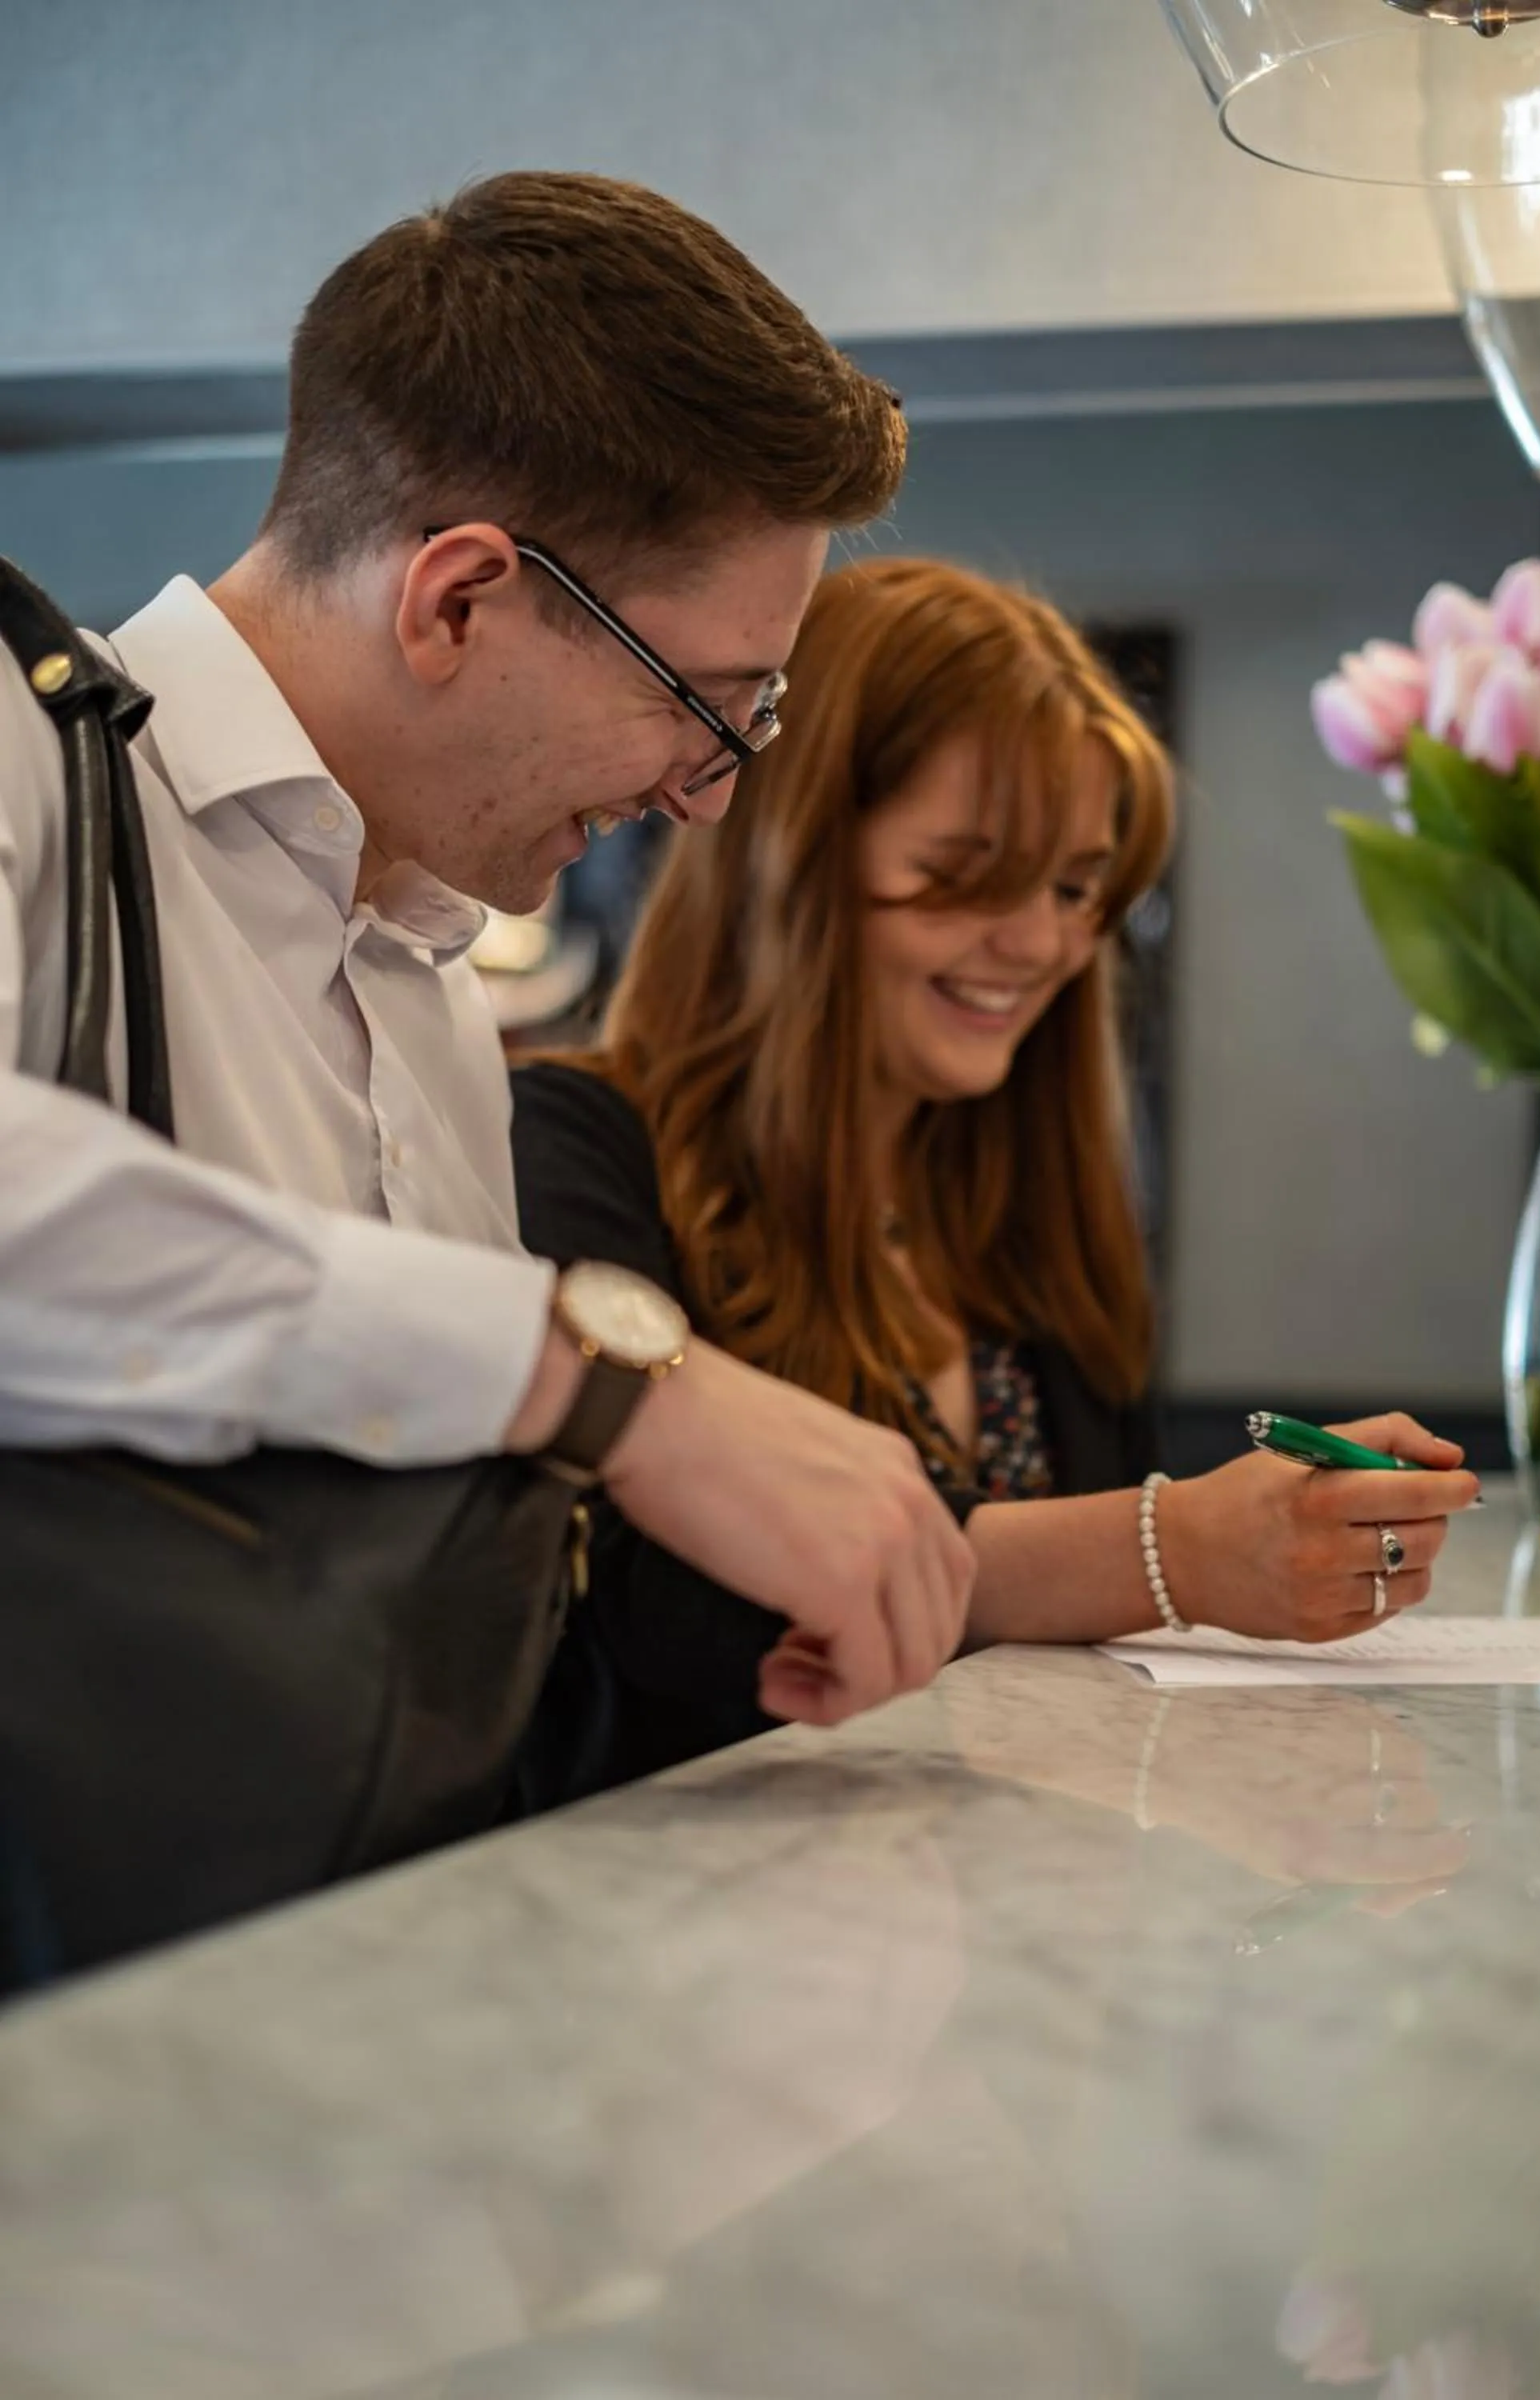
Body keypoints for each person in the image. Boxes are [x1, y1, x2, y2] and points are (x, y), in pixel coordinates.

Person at [0, 174, 974, 1730]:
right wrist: (593, 1382)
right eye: (707, 707)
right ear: (459, 599)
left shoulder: (436, 991)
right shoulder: (20, 752)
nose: (708, 798)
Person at [511, 557, 1481, 1799]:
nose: (1037, 942)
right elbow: (649, 1603)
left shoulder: (1024, 1215)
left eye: (1076, 888)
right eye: (968, 871)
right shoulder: (575, 1144)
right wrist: (1167, 1549)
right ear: (788, 858)